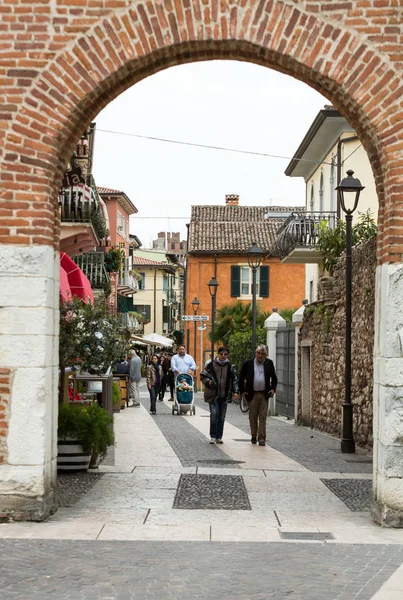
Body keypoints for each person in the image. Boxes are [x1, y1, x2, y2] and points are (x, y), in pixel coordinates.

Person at [238, 344, 277, 446]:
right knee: (253, 416)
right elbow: (241, 378)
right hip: (252, 394)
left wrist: (273, 389)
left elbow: (274, 378)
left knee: (263, 416)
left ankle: (262, 438)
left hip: (264, 394)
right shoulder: (248, 363)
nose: (260, 355)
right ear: (255, 353)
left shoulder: (269, 363)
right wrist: (242, 392)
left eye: (262, 354)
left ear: (265, 355)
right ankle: (254, 435)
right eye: (258, 353)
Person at [200, 346, 239, 444]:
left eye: (225, 354)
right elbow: (203, 375)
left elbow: (235, 379)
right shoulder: (211, 364)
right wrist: (208, 381)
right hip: (213, 395)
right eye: (221, 353)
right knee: (214, 414)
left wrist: (235, 391)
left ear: (227, 355)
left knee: (221, 417)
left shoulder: (230, 366)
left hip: (225, 395)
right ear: (218, 354)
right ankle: (213, 436)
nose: (223, 356)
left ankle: (219, 436)